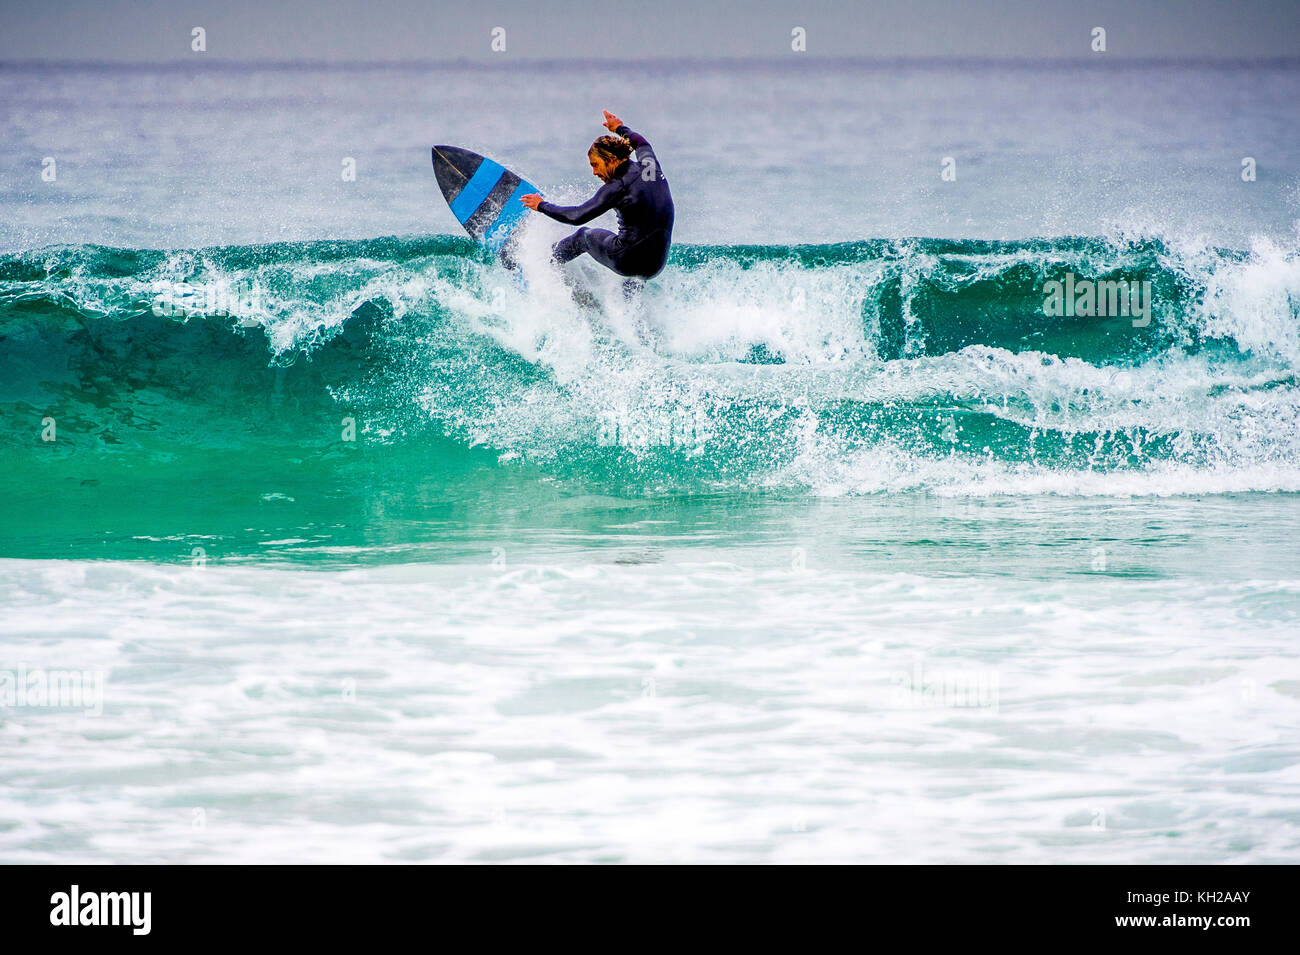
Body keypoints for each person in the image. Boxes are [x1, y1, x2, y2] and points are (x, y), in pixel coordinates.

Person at [520, 111, 674, 288]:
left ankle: (545, 265)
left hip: (626, 261)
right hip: (655, 265)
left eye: (595, 164)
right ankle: (628, 311)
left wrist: (541, 205)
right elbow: (641, 142)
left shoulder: (617, 187)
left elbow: (577, 216)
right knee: (633, 273)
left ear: (610, 159)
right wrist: (619, 128)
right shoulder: (649, 167)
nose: (594, 172)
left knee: (583, 237)